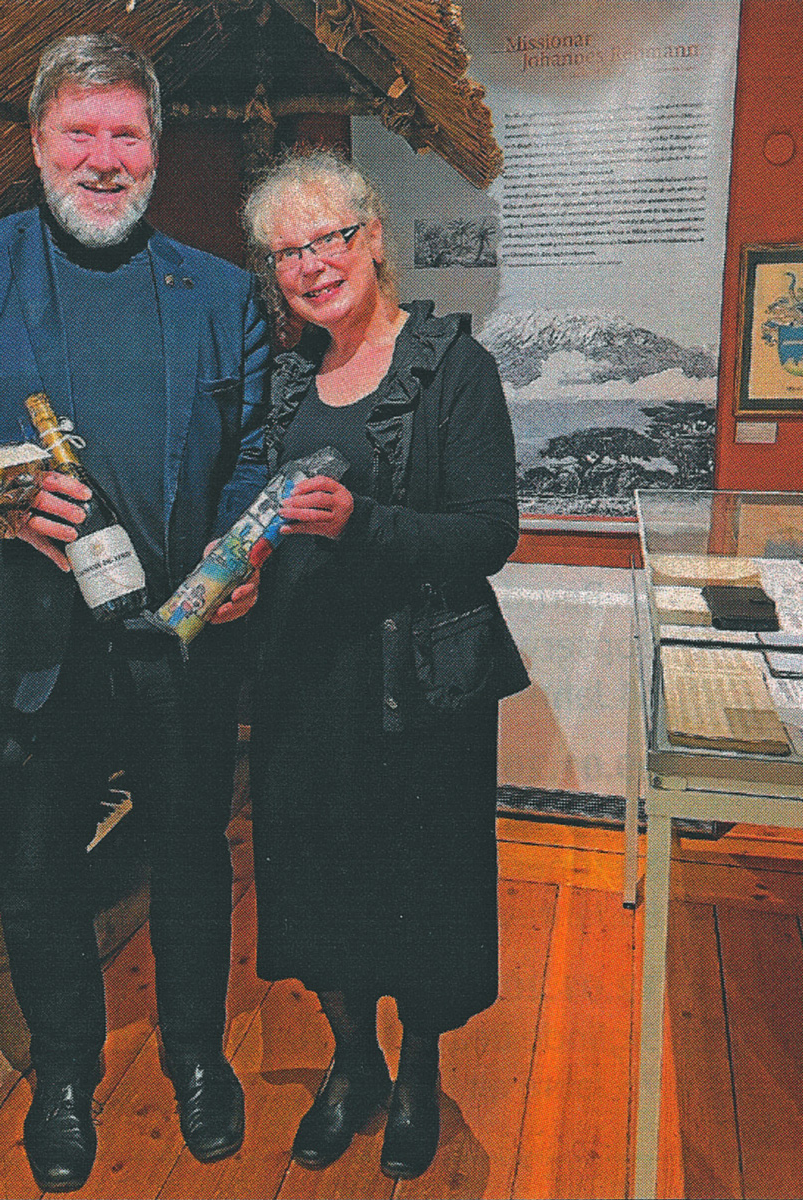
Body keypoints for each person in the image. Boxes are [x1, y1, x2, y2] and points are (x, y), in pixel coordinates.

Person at [0, 32, 268, 1192]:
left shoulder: (218, 291)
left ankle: (196, 1056)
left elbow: (254, 450)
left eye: (126, 134)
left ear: (153, 145)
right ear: (38, 142)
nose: (104, 159)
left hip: (179, 645)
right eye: (80, 134)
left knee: (193, 860)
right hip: (29, 647)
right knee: (38, 865)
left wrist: (244, 548)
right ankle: (62, 1073)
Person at [241, 149, 526, 1180]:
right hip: (299, 680)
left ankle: (413, 1072)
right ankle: (348, 1061)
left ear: (371, 238)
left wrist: (364, 524)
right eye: (287, 253)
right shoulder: (279, 384)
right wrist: (237, 578)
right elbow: (255, 524)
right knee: (316, 881)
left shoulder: (450, 366)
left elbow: (488, 533)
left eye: (327, 238)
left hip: (420, 685)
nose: (312, 265)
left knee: (419, 885)